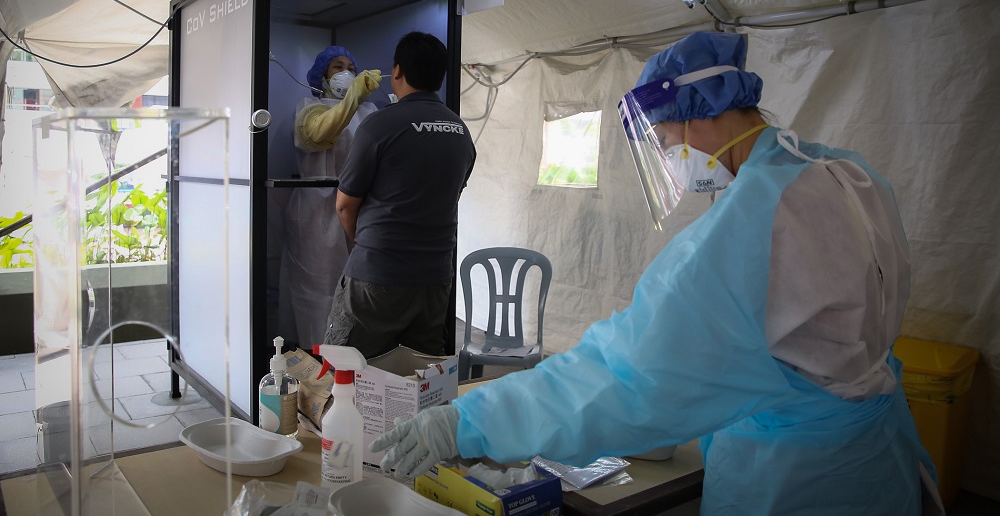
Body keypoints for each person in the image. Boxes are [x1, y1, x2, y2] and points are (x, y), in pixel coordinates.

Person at [371, 32, 944, 515]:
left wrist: (466, 420)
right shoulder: (843, 174)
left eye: (667, 137)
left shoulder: (750, 225)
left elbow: (623, 373)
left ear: (704, 111)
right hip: (880, 460)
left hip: (795, 481)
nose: (668, 150)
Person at [324, 31, 475, 359]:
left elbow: (344, 205)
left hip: (379, 273)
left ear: (397, 72)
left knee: (347, 369)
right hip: (435, 279)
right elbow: (447, 199)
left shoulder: (380, 126)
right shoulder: (460, 131)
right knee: (421, 379)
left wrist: (363, 245)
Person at [278, 45, 381, 349]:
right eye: (337, 67)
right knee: (317, 287)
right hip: (316, 210)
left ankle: (355, 356)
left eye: (351, 66)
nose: (347, 73)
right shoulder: (308, 106)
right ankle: (319, 360)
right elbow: (320, 133)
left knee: (359, 284)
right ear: (321, 74)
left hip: (361, 207)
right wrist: (353, 98)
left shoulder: (369, 111)